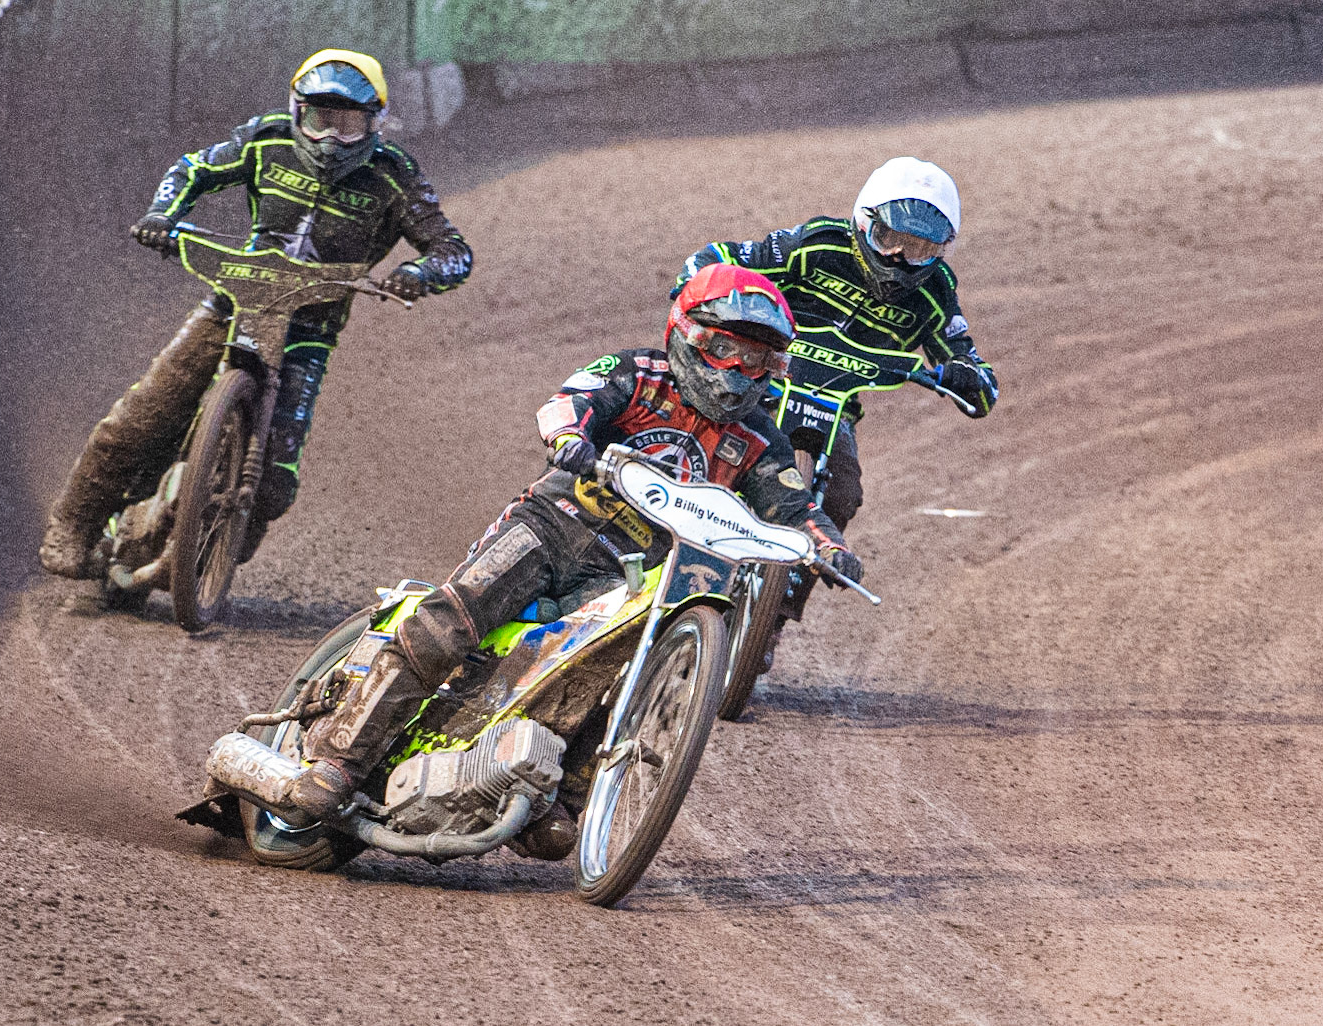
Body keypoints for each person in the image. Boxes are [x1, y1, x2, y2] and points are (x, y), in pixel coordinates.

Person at [261, 264, 865, 856]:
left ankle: (560, 796)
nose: (738, 371)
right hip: (555, 525)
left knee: (619, 672)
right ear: (686, 334)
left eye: (758, 360)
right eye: (725, 348)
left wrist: (827, 546)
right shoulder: (635, 373)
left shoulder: (761, 439)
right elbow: (569, 401)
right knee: (451, 622)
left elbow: (792, 504)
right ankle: (341, 759)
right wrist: (569, 438)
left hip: (630, 573)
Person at [39, 48, 473, 579]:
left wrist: (419, 273)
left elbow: (453, 250)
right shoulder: (265, 138)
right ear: (296, 113)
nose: (331, 138)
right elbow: (192, 170)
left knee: (275, 484)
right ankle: (73, 524)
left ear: (376, 122)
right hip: (232, 304)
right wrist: (162, 216)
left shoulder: (394, 175)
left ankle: (219, 545)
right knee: (139, 416)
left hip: (309, 330)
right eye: (318, 120)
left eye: (348, 123)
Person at [673, 156, 998, 624]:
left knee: (842, 494)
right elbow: (721, 258)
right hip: (761, 378)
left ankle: (774, 618)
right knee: (688, 436)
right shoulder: (818, 243)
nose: (900, 260)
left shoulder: (937, 292)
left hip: (835, 409)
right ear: (864, 222)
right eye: (890, 240)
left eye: (919, 249)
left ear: (941, 251)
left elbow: (974, 369)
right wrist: (698, 284)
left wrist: (966, 373)